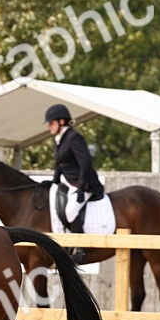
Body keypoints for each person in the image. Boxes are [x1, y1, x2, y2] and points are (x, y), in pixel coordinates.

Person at [45, 103, 104, 264]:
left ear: (61, 121)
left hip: (83, 183)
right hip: (67, 182)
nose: (49, 127)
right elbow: (60, 164)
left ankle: (81, 248)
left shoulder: (74, 137)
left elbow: (85, 163)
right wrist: (53, 182)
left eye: (51, 123)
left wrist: (81, 188)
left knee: (70, 211)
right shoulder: (59, 139)